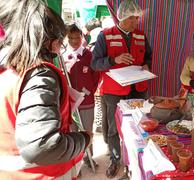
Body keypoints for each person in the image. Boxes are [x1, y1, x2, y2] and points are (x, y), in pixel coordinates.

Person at [0, 0, 91, 179]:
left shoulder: (7, 69)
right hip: (45, 173)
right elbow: (42, 146)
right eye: (59, 39)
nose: (59, 46)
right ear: (48, 40)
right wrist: (83, 139)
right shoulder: (39, 75)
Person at [91, 0, 152, 178]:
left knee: (141, 125)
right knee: (114, 128)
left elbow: (148, 55)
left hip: (138, 89)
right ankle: (115, 159)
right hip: (114, 92)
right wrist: (113, 60)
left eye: (136, 18)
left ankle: (138, 159)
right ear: (122, 17)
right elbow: (95, 63)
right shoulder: (105, 35)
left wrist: (147, 65)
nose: (136, 21)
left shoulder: (141, 35)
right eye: (132, 18)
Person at [63, 24, 100, 168]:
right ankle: (75, 162)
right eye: (71, 38)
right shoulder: (63, 56)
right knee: (73, 132)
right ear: (67, 38)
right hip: (70, 103)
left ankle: (89, 159)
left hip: (86, 102)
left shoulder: (89, 55)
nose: (74, 41)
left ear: (81, 37)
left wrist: (88, 92)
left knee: (87, 131)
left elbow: (96, 76)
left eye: (77, 37)